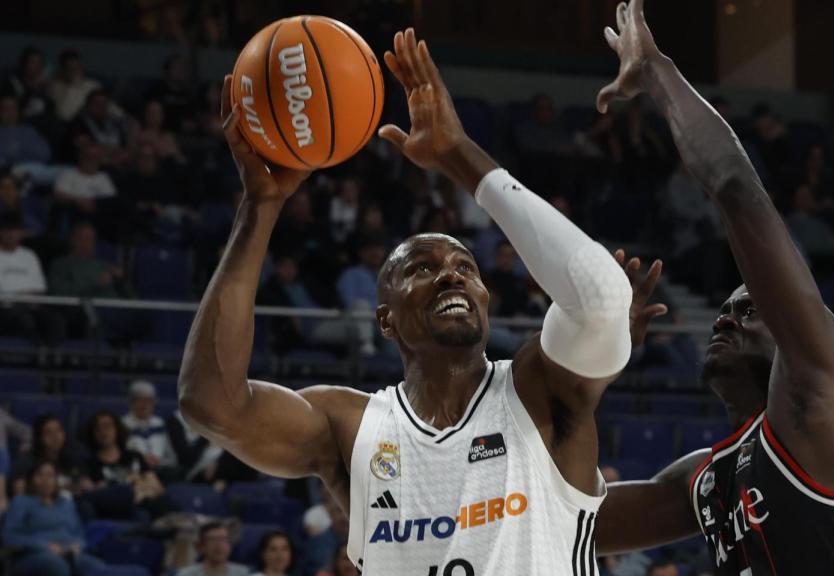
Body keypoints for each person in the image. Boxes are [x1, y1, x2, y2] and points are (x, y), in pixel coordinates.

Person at [179, 29, 663, 575]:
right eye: (422, 269)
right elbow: (211, 404)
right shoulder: (350, 426)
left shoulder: (538, 390)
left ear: (486, 298)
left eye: (466, 268)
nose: (451, 276)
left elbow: (601, 297)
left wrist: (457, 155)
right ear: (385, 320)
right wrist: (260, 207)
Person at [591, 1, 834, 573]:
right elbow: (574, 523)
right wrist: (594, 359)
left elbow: (736, 188)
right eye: (726, 310)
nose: (725, 318)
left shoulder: (822, 398)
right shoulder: (707, 477)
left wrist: (656, 72)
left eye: (748, 310)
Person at [2, 461, 106, 576]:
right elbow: (10, 536)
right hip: (34, 555)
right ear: (31, 479)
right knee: (57, 565)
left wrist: (77, 545)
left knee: (98, 568)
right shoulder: (21, 502)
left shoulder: (66, 503)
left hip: (69, 552)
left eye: (50, 475)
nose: (45, 480)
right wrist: (44, 546)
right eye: (40, 475)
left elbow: (78, 533)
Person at [80, 409, 173, 520]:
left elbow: (157, 487)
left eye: (107, 426)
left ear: (117, 429)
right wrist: (135, 490)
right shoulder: (90, 464)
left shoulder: (134, 456)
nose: (103, 432)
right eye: (97, 428)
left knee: (159, 504)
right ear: (92, 433)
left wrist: (140, 492)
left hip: (143, 504)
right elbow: (95, 493)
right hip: (114, 509)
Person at [0, 213, 65, 344]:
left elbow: (40, 288)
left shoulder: (29, 255)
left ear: (21, 232)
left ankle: (55, 354)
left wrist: (30, 297)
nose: (11, 234)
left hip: (31, 306)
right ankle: (37, 351)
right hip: (5, 308)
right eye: (7, 230)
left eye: (15, 230)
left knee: (56, 319)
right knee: (23, 317)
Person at [11, 414, 84, 496]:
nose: (56, 436)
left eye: (59, 430)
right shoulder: (26, 460)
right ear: (39, 437)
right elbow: (19, 492)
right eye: (49, 433)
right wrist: (56, 488)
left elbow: (82, 486)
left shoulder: (72, 458)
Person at [122, 379, 179, 478]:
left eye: (148, 401)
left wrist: (160, 462)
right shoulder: (123, 424)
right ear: (132, 402)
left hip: (161, 470)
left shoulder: (159, 423)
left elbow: (170, 455)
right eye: (140, 400)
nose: (144, 405)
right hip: (134, 472)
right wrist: (142, 460)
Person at [48, 50, 103, 123]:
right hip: (70, 124)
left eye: (77, 68)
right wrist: (73, 85)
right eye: (71, 69)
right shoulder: (55, 86)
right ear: (63, 70)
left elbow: (108, 107)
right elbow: (64, 115)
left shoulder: (93, 85)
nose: (76, 72)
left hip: (94, 123)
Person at [177, 521, 249, 576]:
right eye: (212, 540)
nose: (219, 545)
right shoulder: (186, 574)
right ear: (201, 547)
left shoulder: (243, 573)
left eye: (223, 539)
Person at [0, 93, 51, 168]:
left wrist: (19, 151)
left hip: (30, 169)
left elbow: (45, 154)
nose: (10, 113)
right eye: (6, 109)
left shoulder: (28, 131)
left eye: (13, 108)